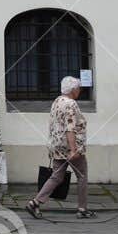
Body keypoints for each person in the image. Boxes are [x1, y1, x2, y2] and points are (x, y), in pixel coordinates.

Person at [25, 76, 94, 219]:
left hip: (57, 146)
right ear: (73, 90)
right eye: (78, 88)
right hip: (70, 147)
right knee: (82, 175)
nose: (79, 91)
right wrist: (73, 149)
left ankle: (35, 202)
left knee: (56, 176)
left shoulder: (56, 101)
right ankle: (82, 209)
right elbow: (70, 128)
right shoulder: (71, 104)